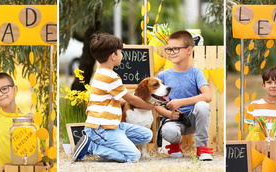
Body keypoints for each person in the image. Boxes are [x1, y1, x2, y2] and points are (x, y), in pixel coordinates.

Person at [74, 33, 172, 163]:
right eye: (121, 52)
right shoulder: (110, 77)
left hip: (113, 126)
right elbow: (131, 99)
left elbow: (118, 100)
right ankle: (92, 147)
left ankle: (111, 144)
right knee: (133, 156)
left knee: (147, 135)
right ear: (113, 56)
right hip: (100, 128)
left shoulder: (102, 73)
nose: (122, 55)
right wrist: (151, 106)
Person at [157, 30, 214, 161]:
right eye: (169, 49)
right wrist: (169, 115)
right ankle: (175, 145)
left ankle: (202, 148)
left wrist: (180, 102)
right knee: (169, 132)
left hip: (193, 120)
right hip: (173, 120)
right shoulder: (163, 76)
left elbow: (208, 96)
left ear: (189, 50)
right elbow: (156, 105)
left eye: (176, 49)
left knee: (202, 106)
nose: (171, 53)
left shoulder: (196, 73)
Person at [246, 66, 276, 141]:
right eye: (269, 82)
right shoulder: (254, 105)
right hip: (258, 149)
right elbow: (248, 131)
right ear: (263, 85)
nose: (273, 86)